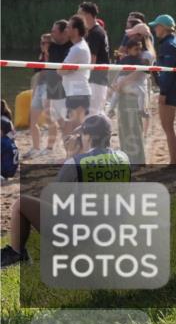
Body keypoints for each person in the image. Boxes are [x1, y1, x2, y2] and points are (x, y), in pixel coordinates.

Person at [1, 114, 129, 269]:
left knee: (22, 204)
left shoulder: (76, 162)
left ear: (87, 136)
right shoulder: (123, 158)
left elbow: (55, 201)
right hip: (114, 235)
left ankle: (17, 253)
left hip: (84, 238)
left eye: (81, 135)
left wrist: (71, 156)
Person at [149, 14, 176, 166]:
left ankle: (175, 163)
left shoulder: (168, 45)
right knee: (169, 127)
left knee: (168, 127)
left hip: (170, 89)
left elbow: (168, 71)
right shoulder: (174, 41)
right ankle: (175, 162)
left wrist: (163, 92)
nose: (154, 29)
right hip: (175, 87)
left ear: (163, 28)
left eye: (156, 26)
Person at [113, 36, 153, 166]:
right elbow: (116, 75)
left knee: (134, 128)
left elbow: (139, 74)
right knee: (124, 127)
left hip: (132, 97)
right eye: (136, 49)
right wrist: (117, 85)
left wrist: (121, 83)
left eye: (140, 48)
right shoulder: (124, 60)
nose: (139, 51)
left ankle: (137, 160)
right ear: (128, 49)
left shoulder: (143, 60)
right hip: (124, 95)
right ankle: (128, 158)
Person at [25, 34, 58, 159]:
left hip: (50, 87)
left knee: (50, 117)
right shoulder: (40, 56)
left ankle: (49, 148)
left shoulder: (54, 55)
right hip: (39, 87)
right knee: (32, 120)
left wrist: (47, 53)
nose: (43, 45)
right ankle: (36, 147)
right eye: (42, 43)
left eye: (46, 43)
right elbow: (36, 75)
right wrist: (33, 92)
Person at [77, 2, 110, 114]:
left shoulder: (95, 33)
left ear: (88, 15)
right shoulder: (95, 31)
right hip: (98, 79)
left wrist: (83, 79)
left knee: (93, 115)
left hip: (95, 80)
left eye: (80, 14)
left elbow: (92, 60)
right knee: (95, 113)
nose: (77, 17)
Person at [60, 16, 92, 130]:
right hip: (75, 92)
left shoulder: (77, 49)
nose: (66, 29)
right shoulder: (79, 47)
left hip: (78, 93)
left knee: (75, 130)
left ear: (76, 30)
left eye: (68, 27)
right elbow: (63, 70)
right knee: (74, 130)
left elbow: (61, 70)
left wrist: (64, 70)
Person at [43, 20, 72, 135]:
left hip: (63, 89)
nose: (51, 34)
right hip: (52, 87)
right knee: (58, 120)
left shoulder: (71, 48)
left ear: (63, 32)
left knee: (66, 121)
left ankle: (72, 146)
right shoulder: (51, 45)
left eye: (54, 31)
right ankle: (68, 145)